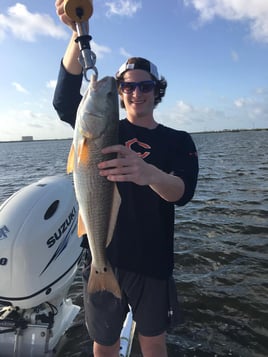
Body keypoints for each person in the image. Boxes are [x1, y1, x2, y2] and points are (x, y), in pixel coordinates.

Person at [53, 1, 198, 356]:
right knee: (104, 344)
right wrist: (77, 34)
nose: (136, 92)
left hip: (153, 260)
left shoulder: (178, 140)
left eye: (145, 86)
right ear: (119, 92)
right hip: (105, 257)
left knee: (153, 342)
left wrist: (148, 173)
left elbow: (183, 192)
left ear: (156, 90)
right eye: (127, 86)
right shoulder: (106, 129)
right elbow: (63, 99)